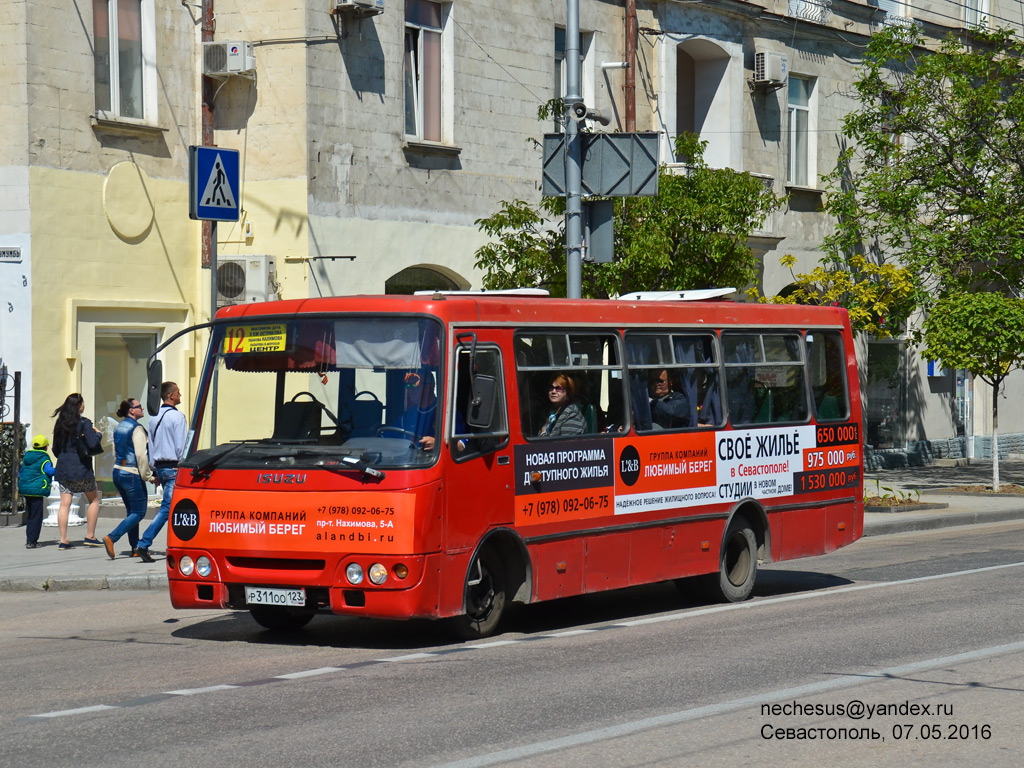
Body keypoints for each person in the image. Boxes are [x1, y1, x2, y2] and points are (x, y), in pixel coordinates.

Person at [135, 382, 187, 563]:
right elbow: (181, 446)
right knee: (168, 508)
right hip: (174, 468)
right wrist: (184, 464)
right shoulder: (178, 417)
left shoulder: (154, 418)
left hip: (161, 468)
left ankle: (177, 544)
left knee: (172, 508)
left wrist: (153, 468)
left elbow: (152, 445)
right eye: (178, 392)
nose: (180, 395)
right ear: (171, 395)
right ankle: (143, 543)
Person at [102, 398, 155, 560]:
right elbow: (141, 455)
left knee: (132, 512)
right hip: (132, 474)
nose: (143, 409)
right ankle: (112, 537)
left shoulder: (118, 428)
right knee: (139, 512)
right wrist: (148, 476)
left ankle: (134, 547)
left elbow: (115, 452)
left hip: (118, 471)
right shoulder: (137, 429)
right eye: (139, 407)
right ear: (131, 410)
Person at [51, 393, 103, 550]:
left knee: (64, 503)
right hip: (81, 468)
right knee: (94, 500)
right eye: (83, 403)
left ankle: (63, 540)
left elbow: (55, 449)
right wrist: (98, 434)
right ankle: (90, 536)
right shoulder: (84, 423)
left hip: (63, 469)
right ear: (79, 405)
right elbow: (92, 443)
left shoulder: (60, 424)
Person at [18, 434, 55, 549]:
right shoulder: (44, 458)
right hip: (37, 491)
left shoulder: (27, 457)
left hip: (26, 489)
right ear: (46, 447)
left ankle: (29, 539)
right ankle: (32, 541)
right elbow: (50, 471)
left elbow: (21, 472)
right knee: (36, 517)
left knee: (30, 515)